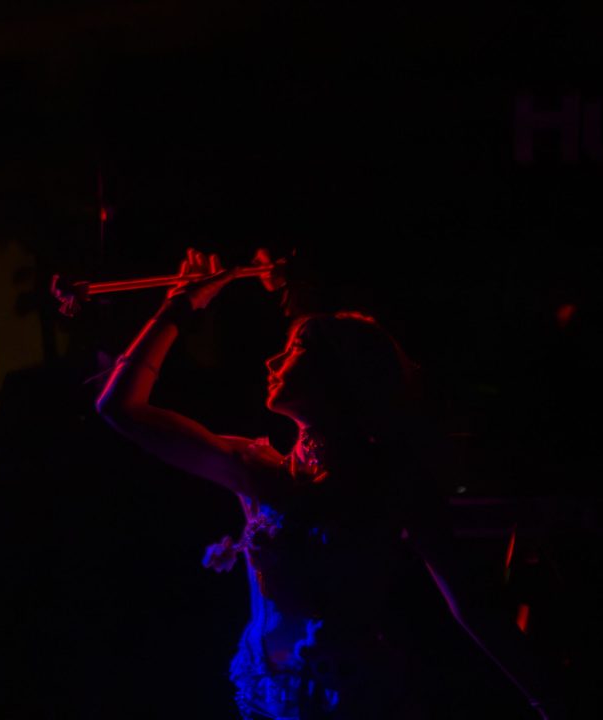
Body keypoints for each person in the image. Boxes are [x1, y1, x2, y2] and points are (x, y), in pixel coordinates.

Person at [95, 249, 562, 719]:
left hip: (354, 700)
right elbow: (120, 409)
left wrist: (547, 699)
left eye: (296, 349)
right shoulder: (256, 468)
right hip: (267, 700)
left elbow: (470, 599)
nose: (272, 359)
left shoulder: (391, 479)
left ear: (342, 376)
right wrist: (177, 308)